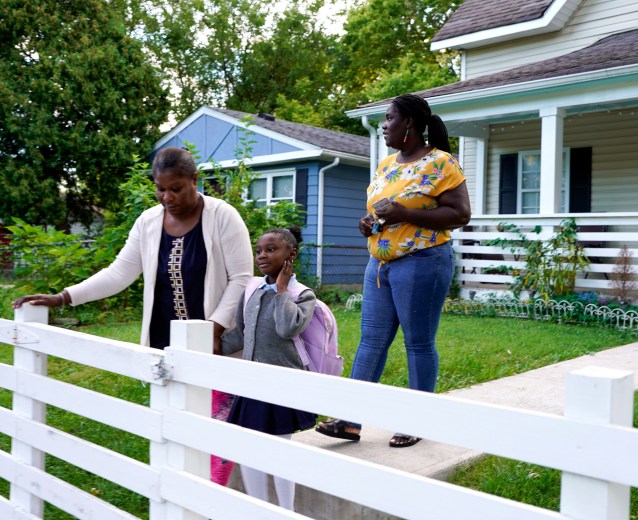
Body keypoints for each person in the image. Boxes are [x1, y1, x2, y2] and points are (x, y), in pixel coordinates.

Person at [12, 146, 254, 483]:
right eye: (160, 188)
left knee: (214, 432)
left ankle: (208, 499)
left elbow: (241, 277)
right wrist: (63, 297)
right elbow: (118, 274)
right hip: (163, 346)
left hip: (217, 345)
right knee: (173, 428)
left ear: (194, 181)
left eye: (176, 188)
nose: (167, 197)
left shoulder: (223, 216)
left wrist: (215, 327)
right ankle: (178, 492)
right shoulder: (149, 222)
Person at [316, 93, 471, 448]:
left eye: (389, 118)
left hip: (423, 261)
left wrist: (404, 214)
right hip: (380, 265)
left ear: (409, 124)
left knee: (417, 343)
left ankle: (417, 421)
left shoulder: (441, 163)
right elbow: (385, 211)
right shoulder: (387, 165)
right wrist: (369, 223)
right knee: (371, 342)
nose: (384, 125)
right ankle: (350, 421)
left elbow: (460, 215)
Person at [220, 227, 317, 511]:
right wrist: (208, 347)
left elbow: (288, 328)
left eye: (272, 249)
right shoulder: (252, 288)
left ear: (291, 254)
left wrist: (282, 290)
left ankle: (285, 511)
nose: (263, 255)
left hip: (282, 384)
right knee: (249, 449)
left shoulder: (302, 294)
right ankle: (258, 509)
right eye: (260, 250)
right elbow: (240, 333)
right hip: (251, 382)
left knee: (279, 452)